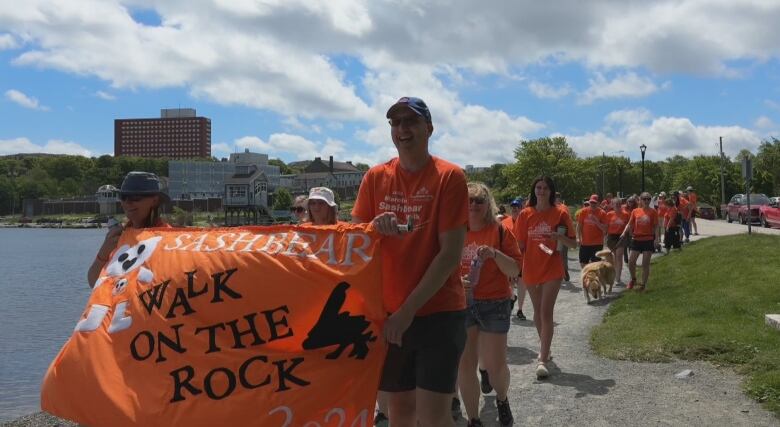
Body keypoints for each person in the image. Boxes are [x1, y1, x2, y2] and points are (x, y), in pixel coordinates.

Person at [352, 96, 468, 427]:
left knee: (433, 417)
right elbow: (357, 242)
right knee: (398, 412)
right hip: (388, 315)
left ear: (428, 128)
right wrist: (374, 228)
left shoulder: (449, 177)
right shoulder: (375, 177)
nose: (402, 129)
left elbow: (449, 255)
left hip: (438, 312)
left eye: (410, 122)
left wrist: (407, 312)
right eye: (395, 123)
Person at [457, 183, 521, 427]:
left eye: (479, 201)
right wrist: (456, 281)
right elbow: (441, 264)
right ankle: (474, 419)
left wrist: (494, 254)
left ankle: (502, 399)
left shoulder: (500, 231)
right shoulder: (454, 231)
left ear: (488, 205)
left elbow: (515, 269)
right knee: (465, 365)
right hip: (462, 302)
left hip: (494, 302)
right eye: (469, 200)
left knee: (495, 367)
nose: (473, 205)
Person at [513, 176, 576, 379]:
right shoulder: (525, 214)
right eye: (538, 187)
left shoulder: (560, 213)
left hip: (552, 267)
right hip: (531, 267)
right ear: (534, 191)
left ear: (551, 191)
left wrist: (560, 238)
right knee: (537, 313)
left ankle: (541, 359)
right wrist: (514, 270)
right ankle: (546, 349)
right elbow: (519, 246)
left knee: (545, 312)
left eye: (545, 188)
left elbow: (574, 244)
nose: (541, 191)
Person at [88, 171, 170, 288]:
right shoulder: (118, 236)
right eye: (123, 197)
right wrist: (104, 252)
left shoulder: (168, 238)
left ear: (154, 200)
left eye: (135, 197)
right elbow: (94, 282)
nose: (127, 202)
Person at [620, 192, 660, 291]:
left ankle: (643, 284)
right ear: (640, 200)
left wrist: (657, 239)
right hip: (636, 239)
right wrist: (624, 233)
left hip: (648, 239)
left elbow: (656, 226)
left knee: (645, 263)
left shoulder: (653, 212)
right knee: (631, 262)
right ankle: (633, 279)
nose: (646, 201)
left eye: (648, 199)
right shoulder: (635, 211)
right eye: (644, 199)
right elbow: (629, 224)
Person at [504, 197, 528, 320]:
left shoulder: (525, 222)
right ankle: (512, 298)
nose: (514, 209)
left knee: (522, 284)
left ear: (521, 208)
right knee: (509, 284)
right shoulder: (505, 222)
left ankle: (520, 309)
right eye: (512, 207)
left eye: (517, 207)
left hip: (523, 259)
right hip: (509, 259)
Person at [576, 194, 608, 269]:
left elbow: (605, 229)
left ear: (598, 203)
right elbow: (579, 226)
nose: (593, 204)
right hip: (585, 242)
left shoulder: (602, 213)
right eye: (591, 202)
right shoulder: (584, 211)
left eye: (595, 203)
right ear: (589, 202)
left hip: (597, 243)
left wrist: (597, 222)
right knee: (583, 263)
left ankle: (594, 279)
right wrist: (578, 237)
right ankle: (587, 278)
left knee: (596, 265)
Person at [605, 197, 629, 284]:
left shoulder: (626, 214)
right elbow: (606, 227)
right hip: (611, 237)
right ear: (613, 205)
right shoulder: (609, 214)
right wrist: (605, 236)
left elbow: (628, 226)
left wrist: (627, 233)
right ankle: (615, 273)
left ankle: (618, 277)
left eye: (619, 204)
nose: (618, 206)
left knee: (619, 256)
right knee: (614, 257)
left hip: (621, 236)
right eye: (616, 204)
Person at [555, 192, 571, 282]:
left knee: (559, 254)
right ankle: (563, 270)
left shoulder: (561, 207)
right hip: (561, 231)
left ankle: (562, 271)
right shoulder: (564, 207)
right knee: (562, 254)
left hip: (560, 231)